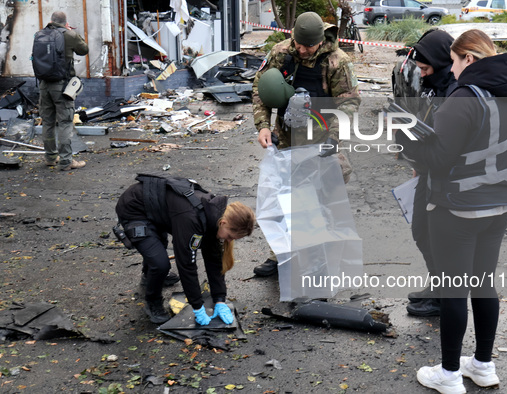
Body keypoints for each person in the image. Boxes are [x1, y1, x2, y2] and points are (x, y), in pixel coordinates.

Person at [396, 29, 507, 393]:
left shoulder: (464, 96)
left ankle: (450, 374)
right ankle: (483, 366)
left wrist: (405, 137)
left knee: (454, 288)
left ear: (468, 59)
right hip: (501, 204)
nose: (452, 71)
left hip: (456, 208)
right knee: (483, 284)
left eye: (455, 62)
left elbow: (438, 160)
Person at [251, 11, 360, 277]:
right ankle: (280, 255)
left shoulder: (337, 62)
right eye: (298, 44)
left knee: (320, 201)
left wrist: (333, 140)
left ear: (320, 41)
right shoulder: (280, 53)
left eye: (308, 46)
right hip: (287, 140)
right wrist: (263, 125)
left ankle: (320, 262)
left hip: (321, 140)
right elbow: (260, 88)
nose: (302, 50)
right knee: (283, 199)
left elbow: (348, 104)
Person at [115, 175, 255, 324]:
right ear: (224, 222)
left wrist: (220, 299)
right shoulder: (192, 219)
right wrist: (197, 307)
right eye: (230, 236)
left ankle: (150, 275)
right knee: (160, 264)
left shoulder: (214, 214)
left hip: (159, 211)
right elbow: (186, 264)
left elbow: (214, 259)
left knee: (157, 254)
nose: (229, 240)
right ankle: (153, 302)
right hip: (135, 209)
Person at [401, 29, 457, 317]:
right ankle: (437, 286)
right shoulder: (435, 84)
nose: (422, 74)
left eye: (425, 68)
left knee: (439, 237)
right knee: (421, 230)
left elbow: (447, 139)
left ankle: (444, 297)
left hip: (448, 177)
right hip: (428, 169)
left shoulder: (455, 89)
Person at [38, 11, 88, 171]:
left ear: (51, 21)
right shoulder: (69, 35)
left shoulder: (40, 34)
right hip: (61, 86)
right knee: (65, 122)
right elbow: (84, 50)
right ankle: (66, 161)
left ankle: (51, 157)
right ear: (65, 22)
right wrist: (71, 31)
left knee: (47, 122)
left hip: (44, 84)